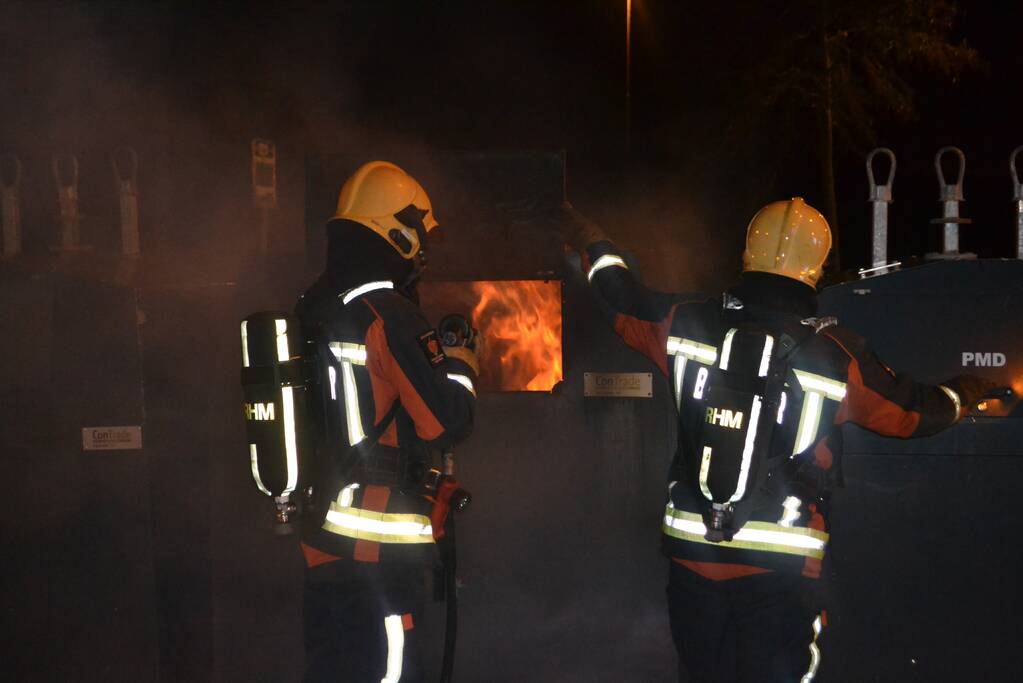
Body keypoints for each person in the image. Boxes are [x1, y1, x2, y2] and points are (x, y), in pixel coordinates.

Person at [559, 197, 996, 682]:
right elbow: (911, 415)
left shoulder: (682, 322)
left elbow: (617, 295)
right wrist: (968, 391)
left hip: (691, 559)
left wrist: (591, 239)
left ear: (748, 253)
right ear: (815, 269)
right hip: (779, 573)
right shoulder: (837, 357)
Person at [295, 160, 480, 682]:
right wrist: (461, 364)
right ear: (395, 231)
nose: (423, 251)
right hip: (377, 555)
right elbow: (446, 423)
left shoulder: (314, 305)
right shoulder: (387, 313)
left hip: (322, 543)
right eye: (419, 235)